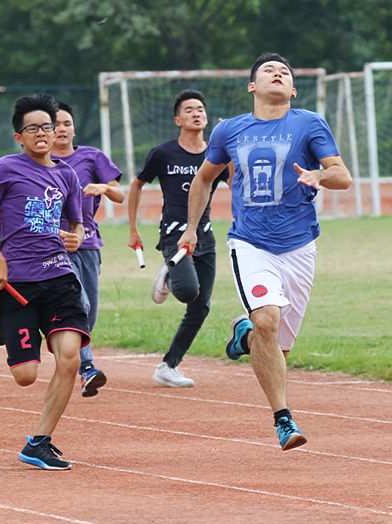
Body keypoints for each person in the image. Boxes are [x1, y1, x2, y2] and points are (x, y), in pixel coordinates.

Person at [178, 54, 351, 450]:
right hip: (250, 243)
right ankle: (284, 420)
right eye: (268, 71)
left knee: (277, 347)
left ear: (292, 89)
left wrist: (318, 174)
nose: (278, 74)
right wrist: (190, 229)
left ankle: (244, 335)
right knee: (268, 323)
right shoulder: (230, 131)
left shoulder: (309, 124)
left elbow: (342, 175)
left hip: (300, 246)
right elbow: (203, 180)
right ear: (252, 87)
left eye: (285, 72)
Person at [0, 93, 89, 470]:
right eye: (32, 128)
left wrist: (77, 237)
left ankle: (39, 442)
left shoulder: (67, 174)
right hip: (17, 285)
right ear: (19, 136)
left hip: (59, 279)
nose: (42, 133)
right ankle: (7, 328)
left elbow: (76, 225)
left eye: (47, 127)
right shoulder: (5, 168)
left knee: (69, 360)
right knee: (26, 376)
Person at [128, 90, 230, 388]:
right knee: (187, 292)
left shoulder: (215, 153)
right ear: (178, 119)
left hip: (206, 236)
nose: (197, 113)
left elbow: (236, 181)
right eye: (189, 110)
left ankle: (168, 366)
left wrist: (230, 147)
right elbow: (136, 185)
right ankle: (173, 275)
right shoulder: (163, 153)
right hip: (174, 234)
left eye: (201, 108)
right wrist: (133, 228)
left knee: (201, 306)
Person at [52, 100, 124, 397]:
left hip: (89, 242)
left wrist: (104, 188)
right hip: (52, 246)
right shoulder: (37, 162)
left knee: (89, 313)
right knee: (77, 304)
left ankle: (25, 320)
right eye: (55, 124)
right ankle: (87, 368)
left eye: (67, 123)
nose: (61, 129)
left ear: (74, 129)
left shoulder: (92, 157)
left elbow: (119, 195)